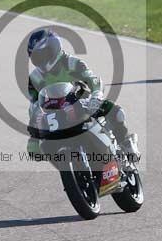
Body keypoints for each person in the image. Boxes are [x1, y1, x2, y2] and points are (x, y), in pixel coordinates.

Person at [25, 29, 140, 160]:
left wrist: (96, 95)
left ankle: (126, 143)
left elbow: (93, 80)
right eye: (37, 57)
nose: (41, 59)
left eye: (44, 54)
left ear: (55, 48)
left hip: (83, 104)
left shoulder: (71, 63)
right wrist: (34, 134)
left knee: (118, 113)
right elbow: (34, 108)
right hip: (55, 116)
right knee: (38, 149)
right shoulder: (34, 78)